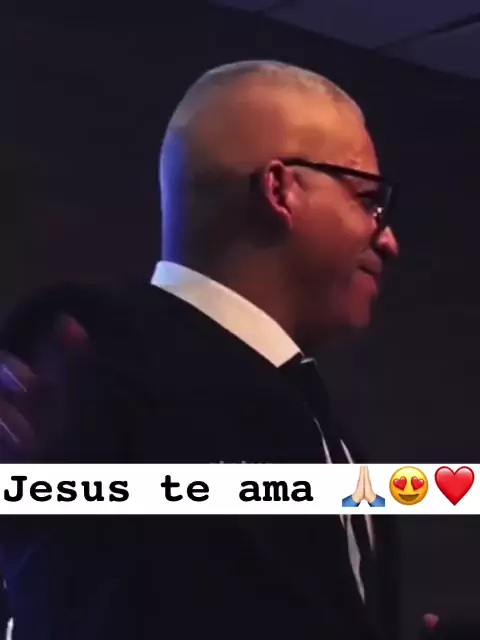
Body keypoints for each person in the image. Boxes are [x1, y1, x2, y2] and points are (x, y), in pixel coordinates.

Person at [0, 60, 401, 639]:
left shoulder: (336, 445)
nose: (388, 239)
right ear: (281, 190)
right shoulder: (94, 355)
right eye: (368, 201)